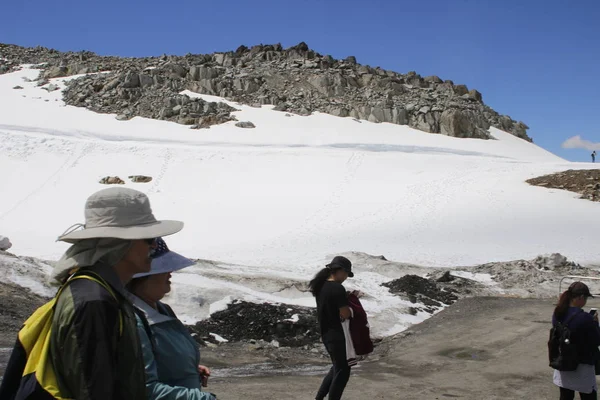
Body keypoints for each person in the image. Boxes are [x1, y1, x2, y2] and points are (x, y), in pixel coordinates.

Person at [0, 187, 184, 400]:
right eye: (148, 238)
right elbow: (92, 390)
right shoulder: (94, 300)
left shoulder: (99, 292)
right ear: (118, 243)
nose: (155, 245)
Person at [127, 237, 216, 400]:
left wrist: (187, 368)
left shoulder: (162, 309)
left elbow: (162, 359)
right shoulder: (133, 319)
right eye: (163, 267)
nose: (170, 272)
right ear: (143, 275)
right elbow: (145, 389)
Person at [310, 255, 355, 400]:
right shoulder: (337, 288)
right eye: (347, 273)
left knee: (337, 367)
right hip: (338, 335)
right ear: (340, 270)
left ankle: (319, 398)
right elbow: (345, 314)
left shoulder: (321, 286)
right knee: (343, 371)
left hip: (326, 334)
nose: (346, 277)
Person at [552, 281, 600, 400]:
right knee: (589, 396)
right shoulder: (585, 318)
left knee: (565, 396)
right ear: (581, 297)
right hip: (582, 366)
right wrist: (595, 323)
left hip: (563, 362)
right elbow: (597, 340)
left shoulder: (557, 313)